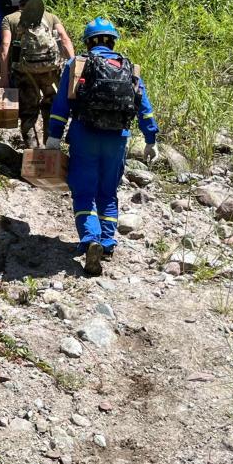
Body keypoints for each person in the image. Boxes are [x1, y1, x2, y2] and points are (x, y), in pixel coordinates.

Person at [46, 17, 158, 277]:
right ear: (112, 40)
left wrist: (54, 136)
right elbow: (144, 107)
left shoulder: (78, 64)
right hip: (117, 138)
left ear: (89, 41)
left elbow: (62, 105)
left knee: (84, 193)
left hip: (84, 136)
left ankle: (90, 238)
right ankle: (107, 243)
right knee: (107, 193)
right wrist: (151, 140)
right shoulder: (128, 68)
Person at [0, 0, 75, 149]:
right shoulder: (50, 16)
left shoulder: (10, 18)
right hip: (51, 71)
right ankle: (50, 149)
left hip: (24, 73)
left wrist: (4, 76)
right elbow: (64, 39)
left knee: (28, 111)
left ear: (19, 5)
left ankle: (33, 154)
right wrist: (74, 70)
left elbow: (5, 45)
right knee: (52, 108)